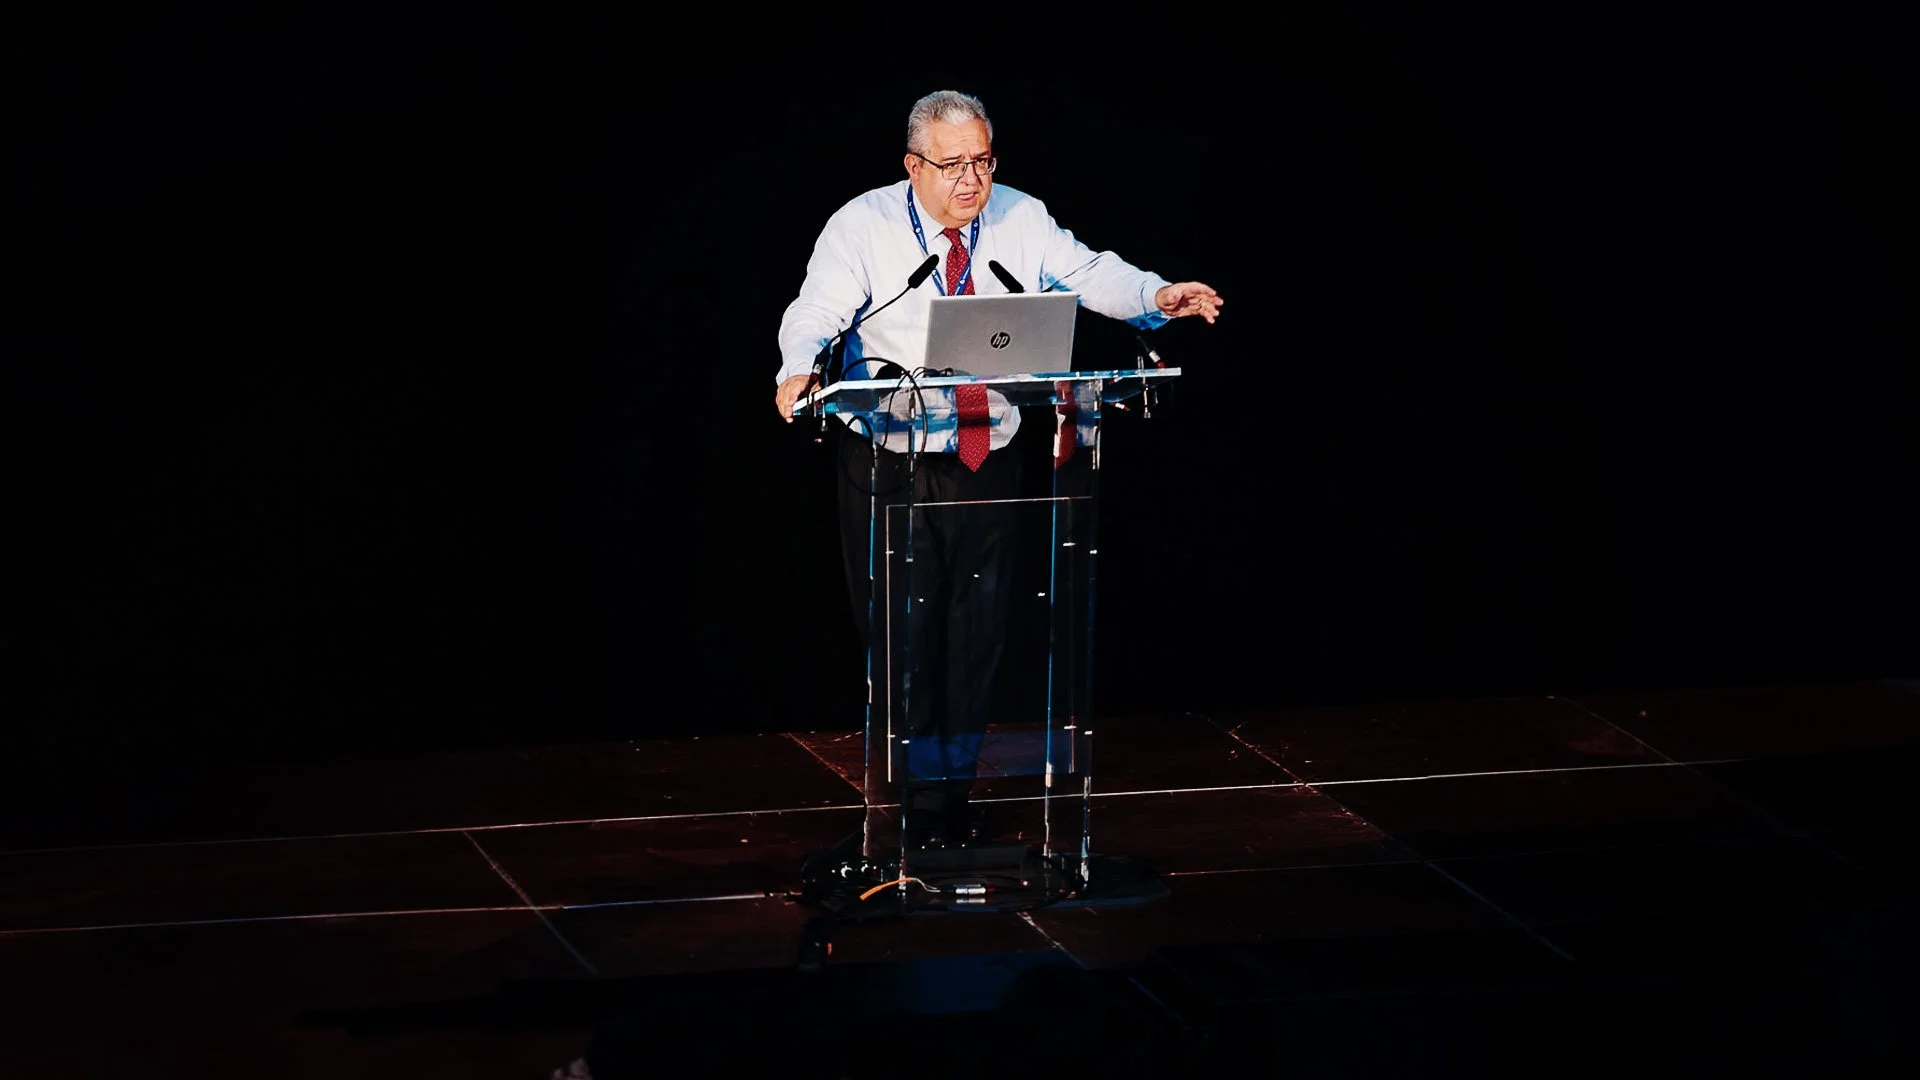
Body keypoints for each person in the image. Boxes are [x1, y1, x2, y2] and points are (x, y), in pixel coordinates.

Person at [773, 89, 1222, 849]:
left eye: (981, 161)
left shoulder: (1021, 215)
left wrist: (1155, 295)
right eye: (951, 165)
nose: (970, 181)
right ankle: (914, 804)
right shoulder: (862, 226)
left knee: (977, 632)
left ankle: (949, 798)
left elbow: (1089, 273)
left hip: (987, 452)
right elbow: (815, 311)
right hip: (890, 458)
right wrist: (797, 367)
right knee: (905, 634)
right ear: (913, 166)